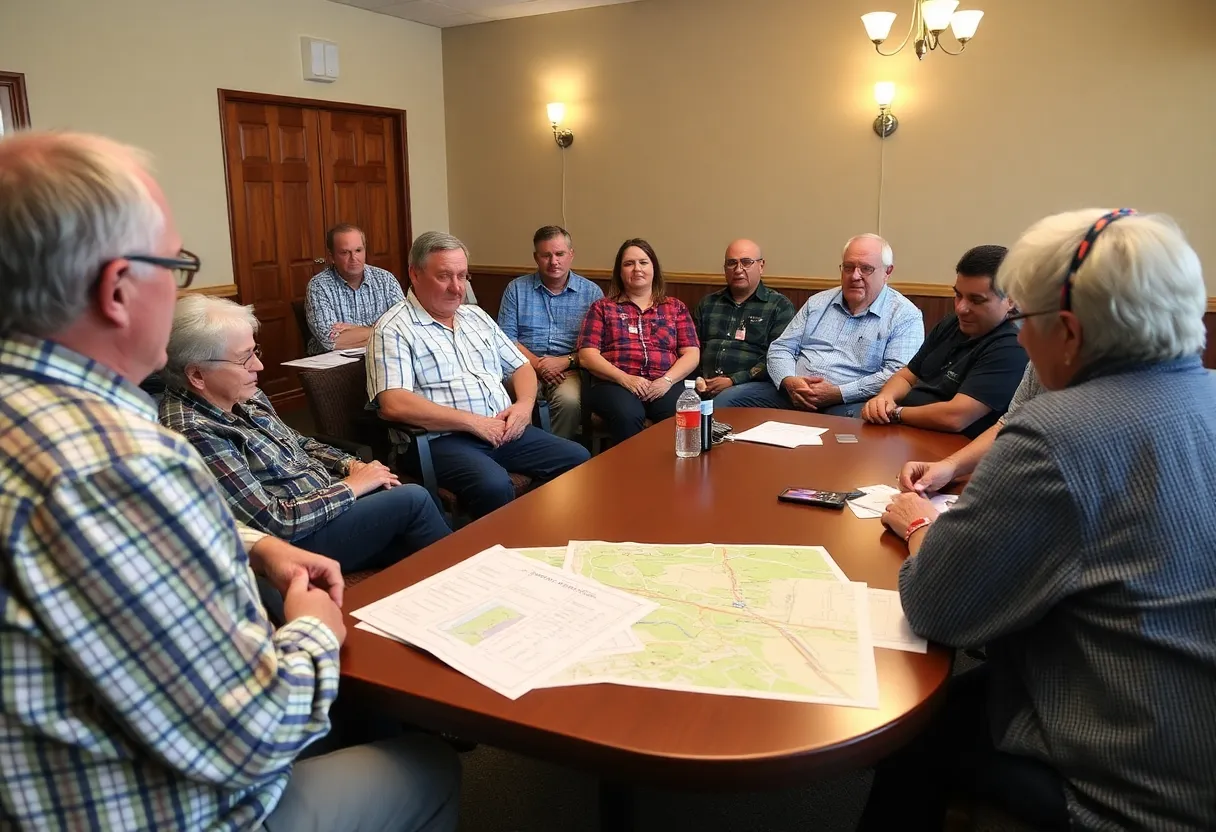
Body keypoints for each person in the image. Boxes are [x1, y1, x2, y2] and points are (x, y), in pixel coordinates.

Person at [0, 131, 458, 831]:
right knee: (430, 767)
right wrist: (312, 632)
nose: (180, 288)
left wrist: (248, 543)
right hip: (177, 810)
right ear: (118, 287)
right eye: (176, 265)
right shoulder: (122, 463)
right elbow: (250, 734)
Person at [864, 209, 1216, 831]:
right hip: (1190, 739)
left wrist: (920, 526)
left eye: (1025, 320)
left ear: (1072, 334)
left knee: (909, 725)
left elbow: (938, 606)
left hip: (1131, 783)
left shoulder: (1060, 433)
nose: (1020, 339)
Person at [161, 294, 450, 574]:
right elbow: (273, 522)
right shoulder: (193, 432)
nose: (258, 366)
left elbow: (299, 443)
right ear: (196, 375)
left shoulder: (245, 395)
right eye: (243, 359)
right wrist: (352, 487)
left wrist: (350, 465)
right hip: (296, 540)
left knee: (416, 516)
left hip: (326, 501)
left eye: (254, 352)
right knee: (413, 501)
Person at [367, 231, 589, 519]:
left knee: (578, 459)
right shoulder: (393, 328)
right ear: (415, 274)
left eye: (462, 276)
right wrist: (473, 423)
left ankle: (542, 529)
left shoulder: (476, 317)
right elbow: (394, 403)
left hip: (503, 429)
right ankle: (496, 551)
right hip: (441, 440)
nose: (456, 288)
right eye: (444, 276)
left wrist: (523, 406)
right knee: (494, 485)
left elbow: (521, 366)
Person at [728, 234, 923, 415]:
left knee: (866, 427)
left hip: (850, 403)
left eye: (866, 268)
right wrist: (789, 380)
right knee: (728, 400)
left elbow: (897, 374)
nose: (855, 276)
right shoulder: (818, 303)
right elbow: (781, 348)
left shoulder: (905, 316)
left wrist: (838, 393)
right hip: (793, 393)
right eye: (848, 267)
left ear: (888, 272)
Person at [860, 244, 1027, 438]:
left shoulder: (1012, 345)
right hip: (903, 432)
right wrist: (884, 398)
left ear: (1011, 300)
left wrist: (895, 413)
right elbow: (906, 376)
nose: (961, 308)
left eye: (976, 300)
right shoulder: (952, 323)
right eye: (958, 295)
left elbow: (955, 417)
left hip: (947, 447)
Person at [578, 238, 701, 443]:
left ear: (654, 268)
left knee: (679, 410)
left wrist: (666, 381)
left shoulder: (675, 307)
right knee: (629, 414)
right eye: (629, 264)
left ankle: (673, 472)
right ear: (620, 271)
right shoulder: (602, 308)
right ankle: (631, 472)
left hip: (664, 383)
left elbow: (692, 353)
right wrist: (625, 379)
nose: (637, 269)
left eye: (643, 262)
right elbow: (587, 356)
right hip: (615, 384)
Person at [497, 225, 603, 439]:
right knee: (510, 398)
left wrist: (567, 361)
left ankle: (558, 458)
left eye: (560, 254)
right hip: (521, 365)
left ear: (571, 255)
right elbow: (505, 339)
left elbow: (597, 346)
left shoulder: (591, 293)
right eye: (546, 255)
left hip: (569, 369)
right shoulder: (516, 289)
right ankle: (521, 456)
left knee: (569, 401)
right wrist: (537, 364)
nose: (554, 261)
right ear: (536, 257)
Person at [896, 363, 1042, 493]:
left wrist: (920, 523)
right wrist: (950, 467)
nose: (1021, 339)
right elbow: (1008, 425)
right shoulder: (1038, 364)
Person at [692, 238, 796, 407]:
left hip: (753, 385)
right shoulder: (708, 304)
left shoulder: (779, 306)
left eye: (746, 262)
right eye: (732, 263)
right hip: (703, 383)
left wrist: (732, 380)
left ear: (761, 266)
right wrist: (699, 379)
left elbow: (777, 358)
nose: (738, 269)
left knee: (722, 402)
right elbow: (693, 349)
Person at [305, 223, 405, 354]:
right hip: (332, 366)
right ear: (332, 257)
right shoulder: (318, 286)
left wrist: (355, 329)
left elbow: (405, 326)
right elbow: (331, 341)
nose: (354, 258)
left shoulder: (385, 279)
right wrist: (385, 330)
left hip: (380, 356)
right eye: (345, 252)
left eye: (358, 250)